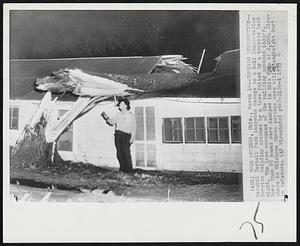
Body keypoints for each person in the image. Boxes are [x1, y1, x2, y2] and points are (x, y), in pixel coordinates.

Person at [101, 98, 136, 173]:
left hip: (126, 136)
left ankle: (129, 171)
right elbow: (112, 122)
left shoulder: (130, 115)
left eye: (121, 104)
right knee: (119, 154)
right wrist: (106, 118)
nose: (119, 105)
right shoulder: (118, 114)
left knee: (126, 154)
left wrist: (132, 137)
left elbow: (134, 127)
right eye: (119, 104)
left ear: (126, 105)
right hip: (118, 135)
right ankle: (122, 169)